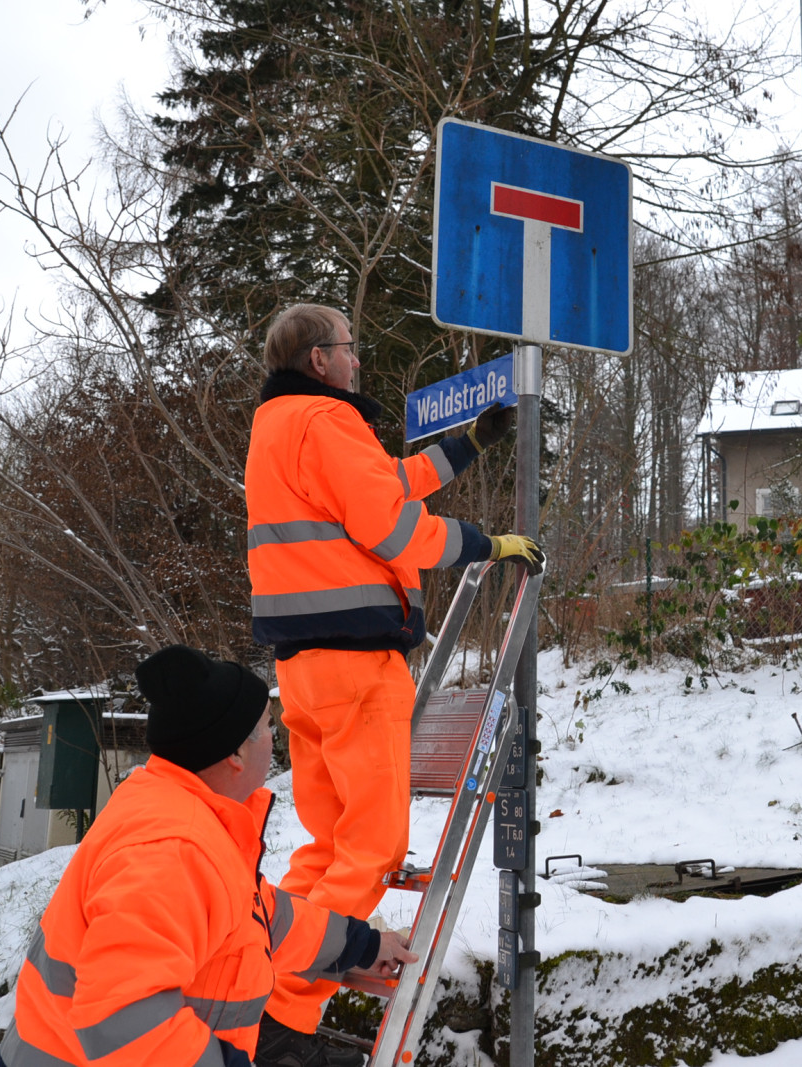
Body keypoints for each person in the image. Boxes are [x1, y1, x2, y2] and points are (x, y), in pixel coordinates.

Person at [244, 304, 542, 1048]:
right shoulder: (327, 420)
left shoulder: (277, 428)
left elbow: (387, 485)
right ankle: (285, 1015)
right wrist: (485, 543)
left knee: (325, 844)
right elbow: (392, 528)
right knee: (372, 849)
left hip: (302, 671)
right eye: (349, 347)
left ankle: (253, 986)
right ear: (319, 359)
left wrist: (466, 446)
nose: (358, 360)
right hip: (356, 665)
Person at [0, 644, 416, 1067]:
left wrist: (363, 945)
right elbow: (125, 1014)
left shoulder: (182, 813)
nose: (277, 739)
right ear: (235, 753)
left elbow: (261, 918)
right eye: (269, 726)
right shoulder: (172, 850)